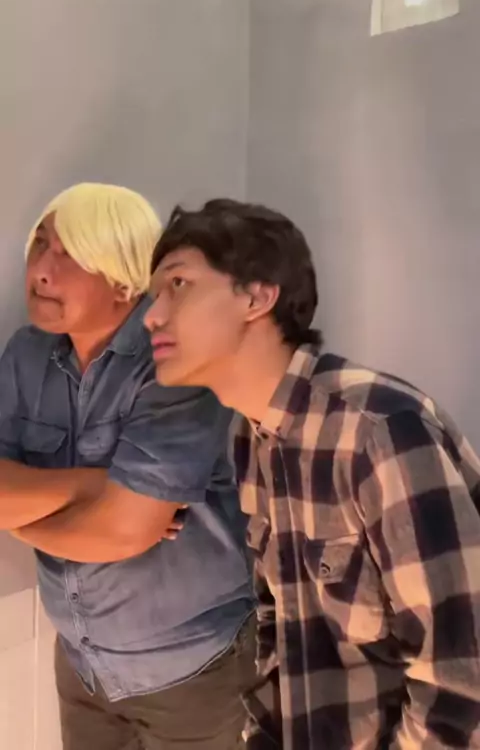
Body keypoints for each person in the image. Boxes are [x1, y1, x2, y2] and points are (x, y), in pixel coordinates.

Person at [145, 197, 480, 750]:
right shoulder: (250, 434)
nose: (152, 315)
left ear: (257, 297)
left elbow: (460, 683)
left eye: (178, 285)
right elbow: (281, 625)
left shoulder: (379, 429)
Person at [1, 184, 255, 750]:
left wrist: (21, 519)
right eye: (40, 245)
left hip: (191, 667)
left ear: (123, 280)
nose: (40, 270)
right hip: (83, 665)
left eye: (68, 255)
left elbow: (125, 533)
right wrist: (93, 484)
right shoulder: (25, 354)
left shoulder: (178, 360)